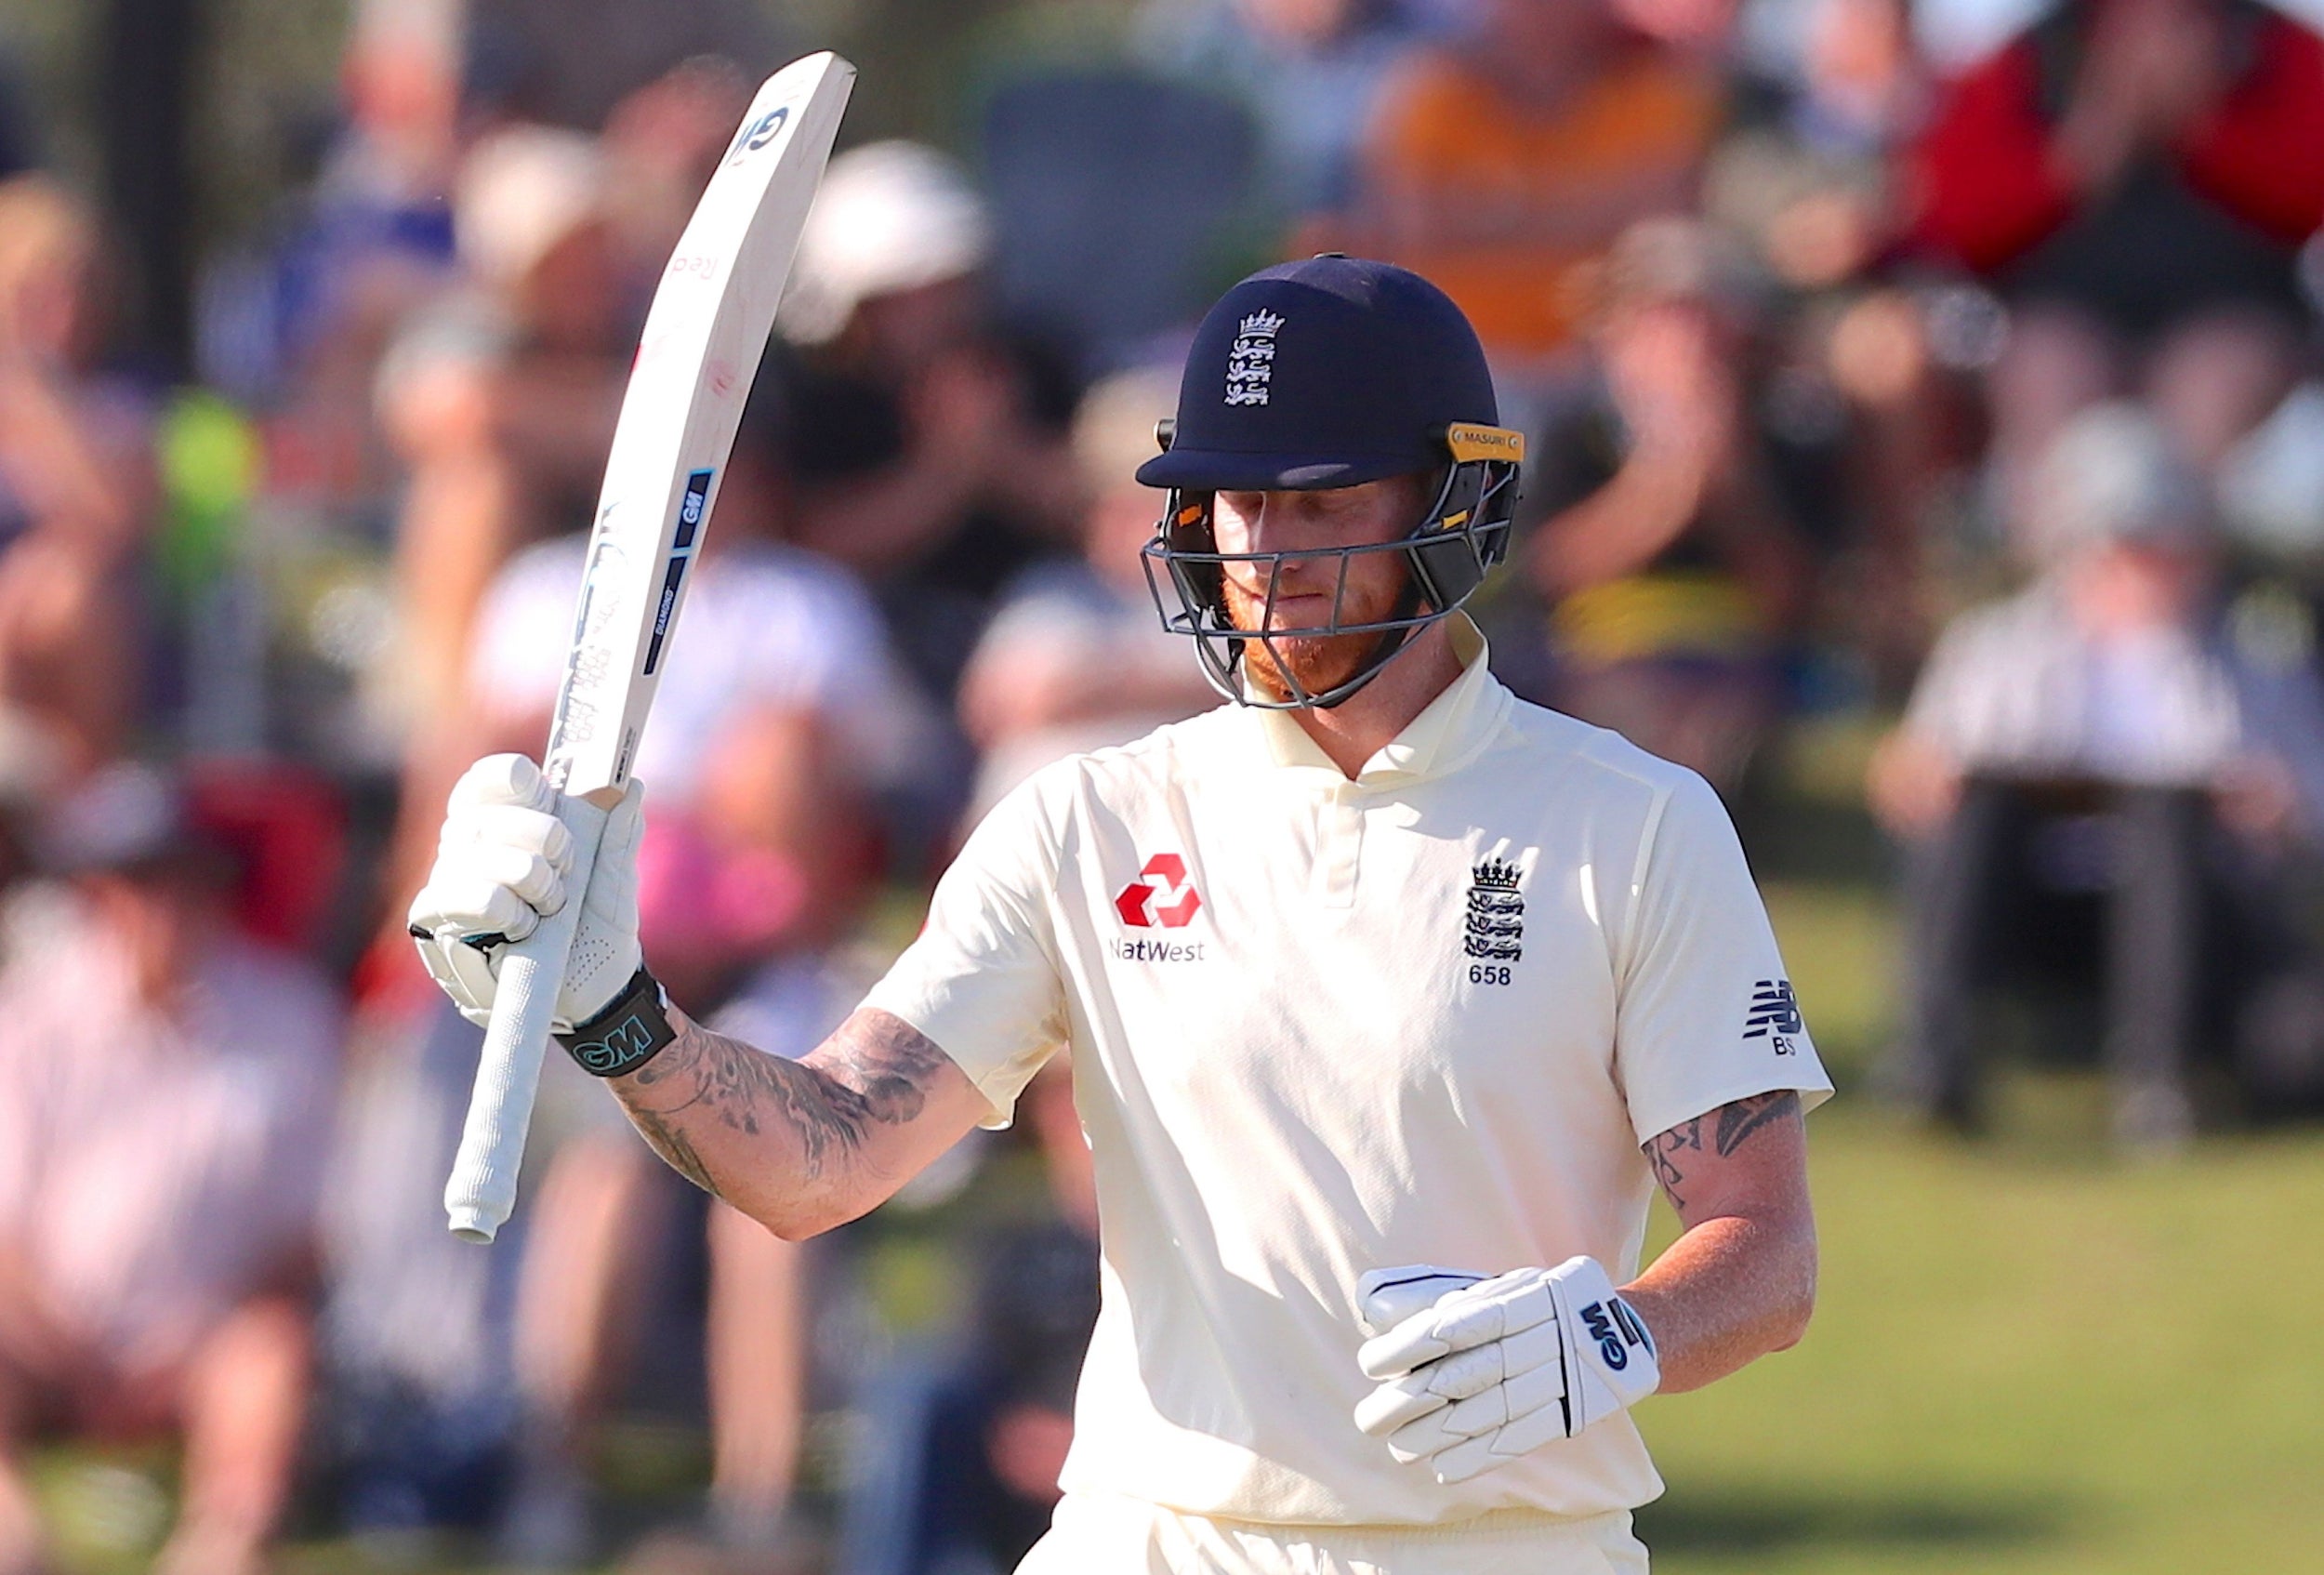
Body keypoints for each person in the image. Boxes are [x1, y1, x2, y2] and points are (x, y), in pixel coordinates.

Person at [409, 258, 1829, 1572]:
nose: (1263, 552)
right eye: (1232, 501)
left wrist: (1611, 1334)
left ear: (1455, 504)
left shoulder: (1632, 821)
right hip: (1155, 1538)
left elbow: (1767, 1258)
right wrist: (617, 1016)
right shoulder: (1086, 819)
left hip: (1505, 1544)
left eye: (1323, 498)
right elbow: (823, 1159)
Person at [1868, 402, 2266, 1148]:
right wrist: (1926, 782)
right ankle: (1937, 1065)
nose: (2151, 565)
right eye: (2131, 543)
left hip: (2191, 920)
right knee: (1983, 807)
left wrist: (2264, 806)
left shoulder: (2249, 661)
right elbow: (1914, 785)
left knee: (2168, 810)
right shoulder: (1994, 649)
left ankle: (2161, 1081)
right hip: (2035, 907)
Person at [0, 764, 341, 1575]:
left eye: (187, 883)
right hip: (46, 1328)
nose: (167, 908)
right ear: (101, 895)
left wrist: (178, 1345)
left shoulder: (291, 1014)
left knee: (268, 1353)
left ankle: (224, 1538)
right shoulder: (33, 1014)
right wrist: (70, 1345)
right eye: (143, 882)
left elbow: (307, 1233)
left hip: (203, 1336)